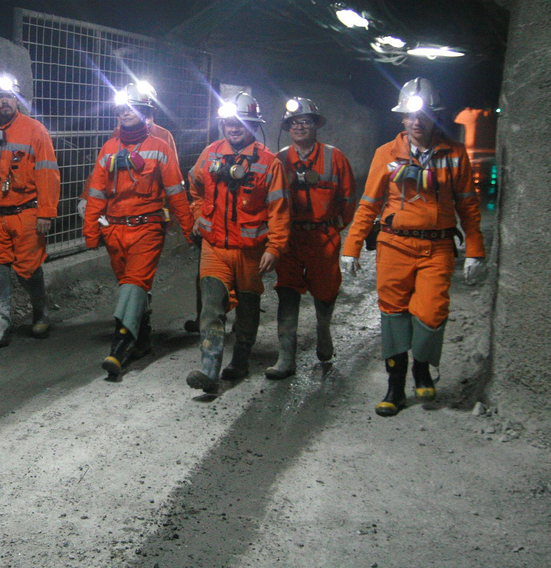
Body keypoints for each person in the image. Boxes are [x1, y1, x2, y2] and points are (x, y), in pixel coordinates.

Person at [342, 77, 485, 417]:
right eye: (409, 115)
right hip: (394, 246)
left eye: (423, 115)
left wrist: (476, 250)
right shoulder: (386, 155)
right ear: (402, 119)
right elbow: (369, 204)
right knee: (393, 315)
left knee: (432, 312)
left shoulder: (454, 154)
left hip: (437, 247)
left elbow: (468, 206)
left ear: (435, 116)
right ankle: (395, 387)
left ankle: (422, 368)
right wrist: (352, 246)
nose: (416, 121)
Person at [83, 81, 194, 376]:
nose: (124, 113)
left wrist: (189, 228)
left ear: (145, 112)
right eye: (121, 109)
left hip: (147, 228)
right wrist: (91, 232)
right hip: (114, 231)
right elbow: (96, 193)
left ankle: (120, 348)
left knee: (133, 283)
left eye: (131, 109)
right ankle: (143, 339)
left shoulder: (160, 147)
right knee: (131, 287)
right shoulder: (108, 148)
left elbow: (176, 192)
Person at [186, 92, 291, 394]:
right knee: (211, 307)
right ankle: (209, 369)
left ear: (254, 125)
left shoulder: (269, 164)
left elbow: (279, 212)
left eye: (241, 123)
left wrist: (274, 248)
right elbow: (193, 185)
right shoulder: (209, 154)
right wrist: (197, 214)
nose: (233, 128)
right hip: (215, 248)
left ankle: (241, 360)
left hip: (250, 251)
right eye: (229, 123)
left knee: (247, 309)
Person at [0, 73, 60, 352]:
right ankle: (0, 325)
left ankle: (41, 311)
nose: (4, 101)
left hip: (28, 213)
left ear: (16, 99)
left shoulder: (35, 130)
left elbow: (47, 174)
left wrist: (46, 212)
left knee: (29, 269)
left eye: (8, 96)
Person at [267, 98, 356, 379]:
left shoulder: (334, 157)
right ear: (287, 127)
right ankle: (286, 357)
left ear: (315, 125)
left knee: (326, 289)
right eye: (294, 123)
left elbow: (349, 197)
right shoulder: (279, 159)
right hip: (291, 236)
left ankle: (323, 329)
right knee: (287, 290)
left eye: (305, 121)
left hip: (323, 236)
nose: (299, 127)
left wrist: (336, 225)